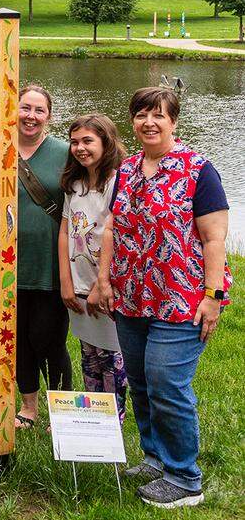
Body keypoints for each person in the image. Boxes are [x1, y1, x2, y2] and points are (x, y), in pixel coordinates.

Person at [96, 86, 232, 508]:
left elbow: (214, 238)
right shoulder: (129, 168)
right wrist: (103, 280)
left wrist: (213, 295)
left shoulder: (198, 170)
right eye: (141, 115)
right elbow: (112, 228)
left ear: (173, 120)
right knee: (140, 382)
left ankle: (185, 478)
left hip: (181, 298)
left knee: (167, 384)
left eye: (158, 115)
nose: (149, 123)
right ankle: (155, 457)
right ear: (133, 121)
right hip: (133, 296)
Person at [0, 83, 71, 429]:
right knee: (17, 338)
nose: (31, 116)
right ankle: (28, 407)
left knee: (51, 338)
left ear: (49, 116)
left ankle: (63, 407)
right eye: (25, 108)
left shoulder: (67, 154)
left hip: (53, 266)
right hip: (9, 265)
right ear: (14, 112)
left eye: (39, 110)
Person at [57, 114, 127, 420]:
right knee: (89, 354)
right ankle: (91, 419)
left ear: (106, 142)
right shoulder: (74, 185)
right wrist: (66, 282)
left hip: (107, 286)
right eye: (74, 142)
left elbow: (118, 235)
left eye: (88, 141)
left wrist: (103, 284)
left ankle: (113, 418)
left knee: (112, 356)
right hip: (79, 284)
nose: (80, 148)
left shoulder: (118, 182)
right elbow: (64, 232)